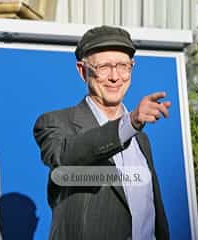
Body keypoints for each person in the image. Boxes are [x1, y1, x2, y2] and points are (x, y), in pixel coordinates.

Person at [33, 25, 170, 240]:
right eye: (104, 67)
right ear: (82, 70)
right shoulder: (55, 124)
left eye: (123, 66)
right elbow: (66, 156)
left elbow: (153, 215)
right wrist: (130, 123)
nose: (115, 77)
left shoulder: (141, 139)